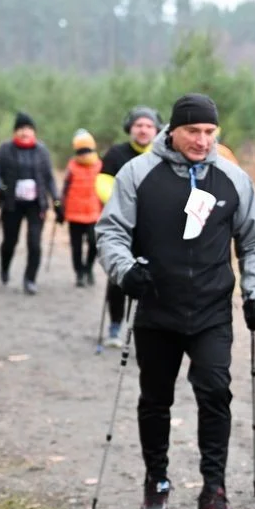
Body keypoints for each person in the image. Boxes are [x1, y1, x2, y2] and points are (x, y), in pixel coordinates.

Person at [96, 93, 255, 509]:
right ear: (172, 130)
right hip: (157, 306)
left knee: (215, 393)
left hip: (212, 308)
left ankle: (214, 490)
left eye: (210, 132)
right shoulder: (138, 173)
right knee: (156, 399)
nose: (202, 140)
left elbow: (252, 239)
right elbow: (111, 231)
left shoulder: (233, 178)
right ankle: (156, 479)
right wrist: (126, 271)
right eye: (193, 131)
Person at [95, 106, 161, 346]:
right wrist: (124, 204)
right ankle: (114, 326)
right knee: (119, 278)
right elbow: (102, 183)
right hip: (123, 227)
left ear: (157, 130)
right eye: (139, 125)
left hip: (153, 229)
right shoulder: (115, 154)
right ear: (130, 129)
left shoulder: (162, 156)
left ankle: (147, 330)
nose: (143, 130)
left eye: (149, 126)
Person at [0, 111, 59, 295]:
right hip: (12, 203)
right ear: (15, 131)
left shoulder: (42, 150)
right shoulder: (5, 149)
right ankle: (4, 267)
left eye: (28, 129)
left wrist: (57, 199)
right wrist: (0, 186)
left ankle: (30, 279)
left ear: (34, 132)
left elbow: (49, 177)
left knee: (34, 243)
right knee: (10, 241)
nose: (24, 132)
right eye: (21, 129)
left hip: (36, 203)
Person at [59, 129, 103, 287]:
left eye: (87, 150)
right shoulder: (71, 167)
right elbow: (64, 189)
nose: (84, 154)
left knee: (94, 243)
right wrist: (60, 208)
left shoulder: (100, 165)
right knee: (76, 246)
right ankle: (79, 273)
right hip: (74, 212)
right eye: (80, 151)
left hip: (94, 213)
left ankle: (88, 268)